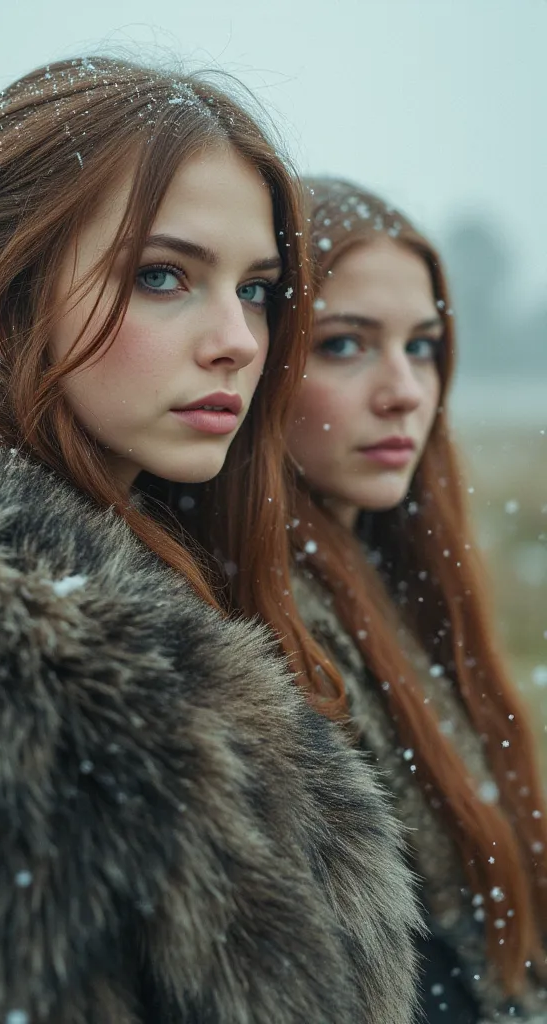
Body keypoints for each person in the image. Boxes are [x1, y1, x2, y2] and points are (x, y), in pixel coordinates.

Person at [0, 64, 420, 1024]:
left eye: (256, 289)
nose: (240, 339)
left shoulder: (167, 579)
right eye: (163, 276)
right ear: (0, 308)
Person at [287, 176, 547, 1023]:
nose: (404, 389)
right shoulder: (259, 642)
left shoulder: (396, 580)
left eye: (424, 345)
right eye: (343, 345)